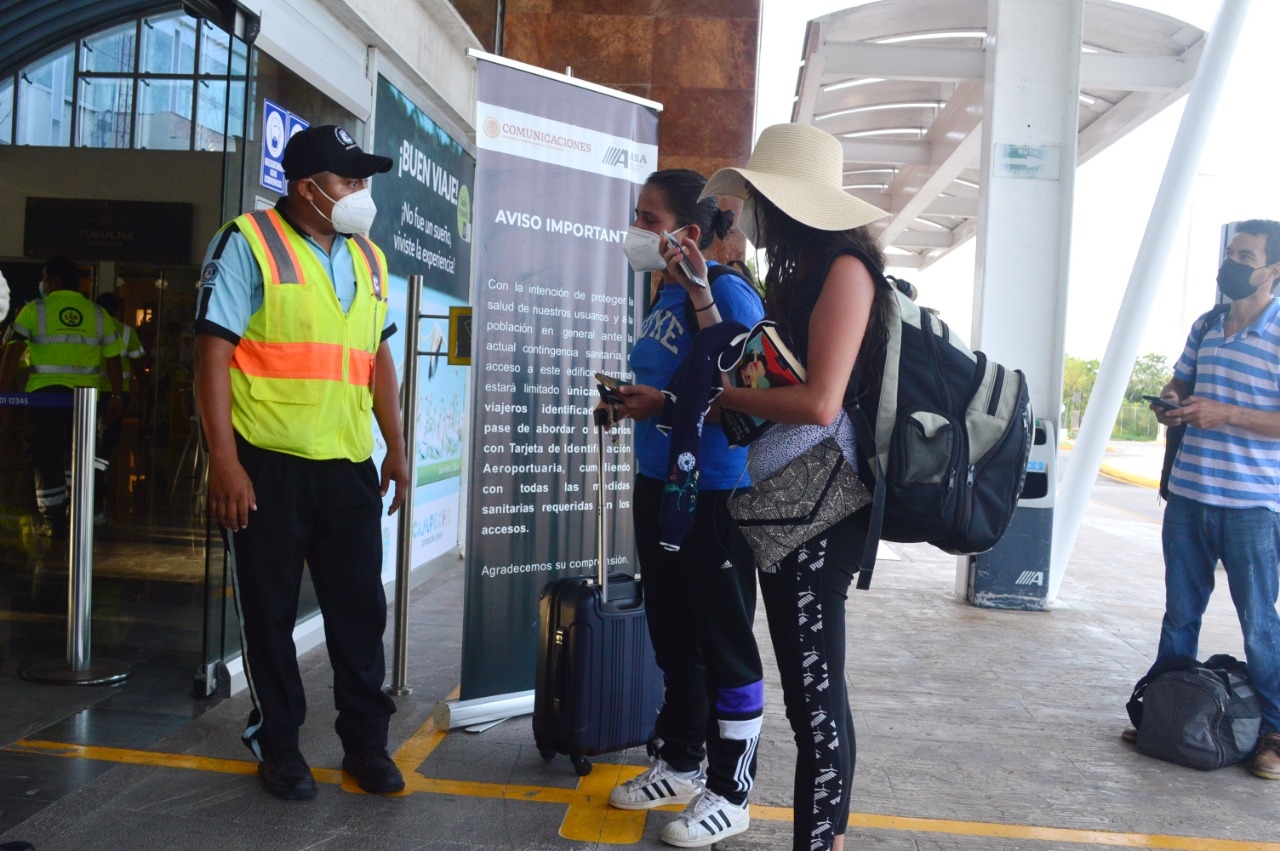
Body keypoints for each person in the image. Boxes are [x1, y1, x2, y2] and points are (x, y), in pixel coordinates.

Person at [671, 123, 892, 851]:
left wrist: (726, 401)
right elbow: (770, 369)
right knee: (807, 696)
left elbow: (820, 401)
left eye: (758, 199)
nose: (750, 214)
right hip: (788, 503)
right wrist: (705, 295)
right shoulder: (802, 275)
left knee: (816, 703)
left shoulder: (847, 271)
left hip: (819, 508)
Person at [193, 125, 410, 800]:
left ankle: (366, 745)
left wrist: (395, 445)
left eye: (362, 181)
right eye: (349, 182)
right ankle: (280, 746)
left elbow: (376, 359)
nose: (360, 193)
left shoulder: (369, 259)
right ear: (307, 188)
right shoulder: (246, 242)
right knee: (268, 615)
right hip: (266, 464)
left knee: (359, 613)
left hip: (346, 466)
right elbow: (211, 355)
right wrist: (224, 462)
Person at [602, 169, 766, 848]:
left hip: (715, 491)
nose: (636, 228)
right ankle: (680, 759)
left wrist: (662, 404)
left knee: (724, 640)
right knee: (674, 631)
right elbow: (678, 385)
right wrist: (629, 402)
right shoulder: (665, 295)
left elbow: (740, 399)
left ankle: (732, 791)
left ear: (688, 231)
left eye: (647, 216)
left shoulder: (727, 294)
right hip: (659, 481)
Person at [1136, 218, 1280, 781]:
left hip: (1252, 506)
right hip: (1190, 496)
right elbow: (1184, 384)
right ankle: (1167, 716)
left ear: (1272, 270)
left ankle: (1274, 731)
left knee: (1259, 626)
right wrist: (1172, 400)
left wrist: (1226, 414)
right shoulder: (1207, 324)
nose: (1232, 264)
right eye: (1230, 253)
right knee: (1180, 615)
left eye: (1246, 256)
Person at [0, 256, 123, 537]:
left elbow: (12, 355)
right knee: (78, 453)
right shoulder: (97, 313)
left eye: (44, 278)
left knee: (45, 454)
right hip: (86, 399)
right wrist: (116, 395)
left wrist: (3, 395)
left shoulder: (35, 310)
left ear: (54, 280)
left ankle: (53, 518)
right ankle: (77, 509)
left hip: (44, 396)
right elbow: (114, 359)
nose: (42, 284)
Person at [94, 292, 145, 522]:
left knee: (88, 435)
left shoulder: (90, 326)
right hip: (117, 392)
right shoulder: (126, 331)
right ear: (116, 309)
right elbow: (138, 360)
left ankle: (87, 475)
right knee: (108, 438)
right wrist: (142, 386)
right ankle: (97, 475)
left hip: (90, 390)